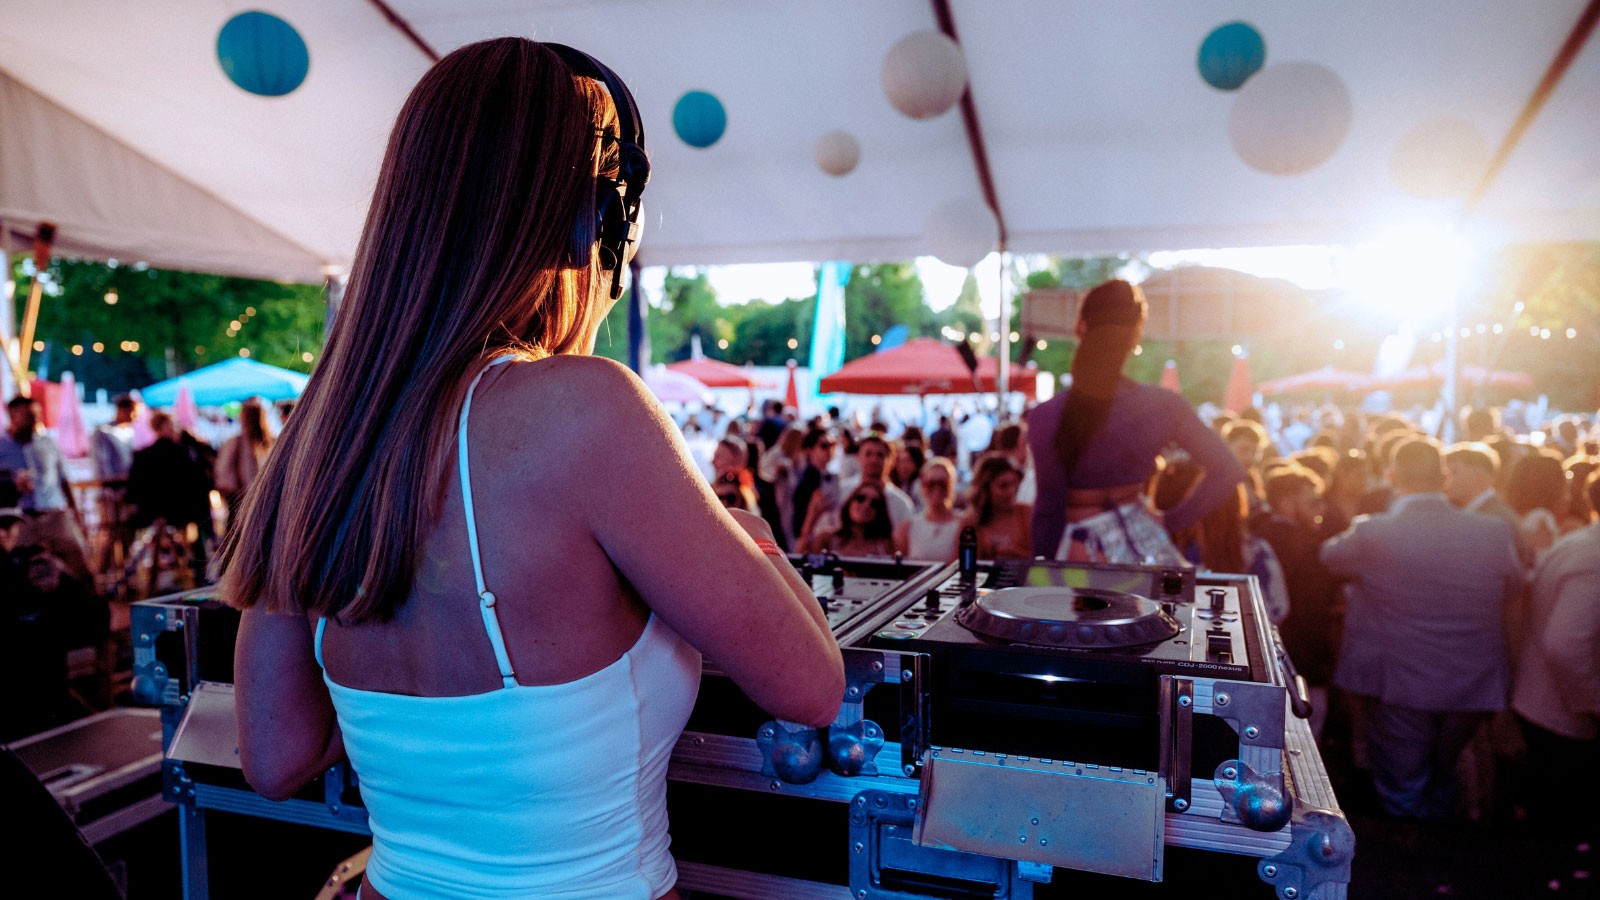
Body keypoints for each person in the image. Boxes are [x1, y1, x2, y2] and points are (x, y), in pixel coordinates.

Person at [220, 40, 843, 900]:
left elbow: (275, 757)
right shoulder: (587, 409)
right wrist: (753, 536)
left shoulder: (319, 440)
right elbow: (811, 686)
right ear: (596, 225)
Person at [1320, 439, 1523, 820]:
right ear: (1443, 477)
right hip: (1471, 680)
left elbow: (1328, 557)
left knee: (1403, 784)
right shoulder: (1493, 532)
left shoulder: (1372, 532)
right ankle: (1441, 855)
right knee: (1444, 773)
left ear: (1392, 476)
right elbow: (1512, 588)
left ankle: (1412, 860)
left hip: (1403, 679)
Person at [1027, 280, 1245, 561]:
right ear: (1135, 337)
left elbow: (1049, 512)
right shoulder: (1165, 405)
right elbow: (1228, 469)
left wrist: (1036, 575)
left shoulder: (1046, 416)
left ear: (1080, 327)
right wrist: (1172, 521)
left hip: (1078, 558)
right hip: (1144, 551)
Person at [1509, 470, 1600, 841]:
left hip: (1546, 704)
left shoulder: (1580, 542)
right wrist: (1592, 703)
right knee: (1560, 827)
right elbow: (1565, 646)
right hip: (1563, 714)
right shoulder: (1593, 556)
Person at [1256, 466, 1338, 736]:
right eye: (1312, 501)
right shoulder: (1307, 543)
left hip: (1261, 652)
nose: (1320, 509)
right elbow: (1315, 607)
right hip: (1301, 655)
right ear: (1287, 503)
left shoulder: (1254, 533)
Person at [0, 396, 92, 585]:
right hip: (20, 519)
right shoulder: (2, 446)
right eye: (28, 415)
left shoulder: (49, 443)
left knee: (79, 564)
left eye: (35, 414)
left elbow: (63, 480)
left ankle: (93, 607)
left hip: (54, 512)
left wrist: (75, 512)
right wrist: (12, 483)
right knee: (15, 571)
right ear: (12, 415)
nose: (33, 419)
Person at [216, 398, 274, 525]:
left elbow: (222, 470)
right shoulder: (269, 442)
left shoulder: (239, 441)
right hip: (257, 499)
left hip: (244, 499)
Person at [964, 455, 1032, 560]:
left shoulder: (1026, 514)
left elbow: (1042, 560)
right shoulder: (971, 521)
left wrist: (1017, 554)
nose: (1011, 491)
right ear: (986, 489)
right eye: (1003, 486)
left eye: (1013, 483)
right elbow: (963, 561)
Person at [894, 458, 960, 560]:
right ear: (922, 486)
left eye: (942, 483)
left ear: (951, 485)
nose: (937, 488)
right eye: (931, 483)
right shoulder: (908, 528)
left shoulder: (964, 525)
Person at [807, 483, 895, 556]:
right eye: (861, 498)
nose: (866, 505)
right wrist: (812, 517)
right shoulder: (827, 540)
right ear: (850, 502)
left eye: (874, 503)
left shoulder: (884, 546)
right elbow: (799, 563)